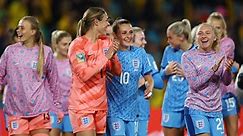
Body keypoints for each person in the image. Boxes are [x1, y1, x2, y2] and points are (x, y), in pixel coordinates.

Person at [0, 16, 62, 136]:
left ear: (33, 32)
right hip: (15, 111)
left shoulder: (46, 51)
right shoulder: (10, 51)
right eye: (18, 28)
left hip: (40, 110)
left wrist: (58, 107)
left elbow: (54, 82)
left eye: (22, 28)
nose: (18, 31)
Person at [68, 7, 121, 136]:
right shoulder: (77, 45)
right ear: (96, 22)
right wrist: (106, 57)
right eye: (106, 20)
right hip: (82, 106)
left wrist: (113, 56)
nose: (108, 24)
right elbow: (84, 74)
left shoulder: (106, 42)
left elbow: (118, 71)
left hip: (101, 106)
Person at [182, 23, 234, 136]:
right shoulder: (188, 56)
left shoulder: (220, 55)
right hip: (196, 108)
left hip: (216, 109)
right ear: (196, 38)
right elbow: (194, 83)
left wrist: (228, 71)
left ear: (215, 37)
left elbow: (226, 81)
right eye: (200, 33)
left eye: (207, 33)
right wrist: (212, 70)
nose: (203, 36)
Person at [106, 19, 154, 136]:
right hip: (114, 109)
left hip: (133, 110)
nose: (129, 36)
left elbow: (149, 77)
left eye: (130, 32)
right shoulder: (110, 53)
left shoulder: (140, 53)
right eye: (124, 33)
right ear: (116, 35)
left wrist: (150, 87)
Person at [160, 19, 195, 136]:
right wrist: (166, 71)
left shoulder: (197, 52)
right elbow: (160, 77)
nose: (167, 41)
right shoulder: (168, 51)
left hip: (192, 105)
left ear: (181, 37)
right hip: (171, 104)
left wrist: (187, 74)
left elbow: (205, 78)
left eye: (170, 37)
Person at [207, 12, 239, 136]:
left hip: (227, 94)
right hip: (211, 97)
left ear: (224, 29)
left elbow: (219, 59)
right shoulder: (204, 45)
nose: (216, 30)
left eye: (218, 27)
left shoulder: (228, 43)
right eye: (212, 27)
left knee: (232, 133)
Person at [132, 26, 163, 136]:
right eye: (141, 39)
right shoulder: (120, 57)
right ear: (131, 40)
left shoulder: (148, 58)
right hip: (122, 111)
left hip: (142, 111)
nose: (145, 42)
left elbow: (159, 83)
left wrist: (145, 81)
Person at [49, 30, 73, 136]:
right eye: (64, 44)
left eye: (69, 44)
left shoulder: (73, 62)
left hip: (70, 109)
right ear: (56, 44)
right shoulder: (49, 62)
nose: (68, 47)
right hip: (53, 109)